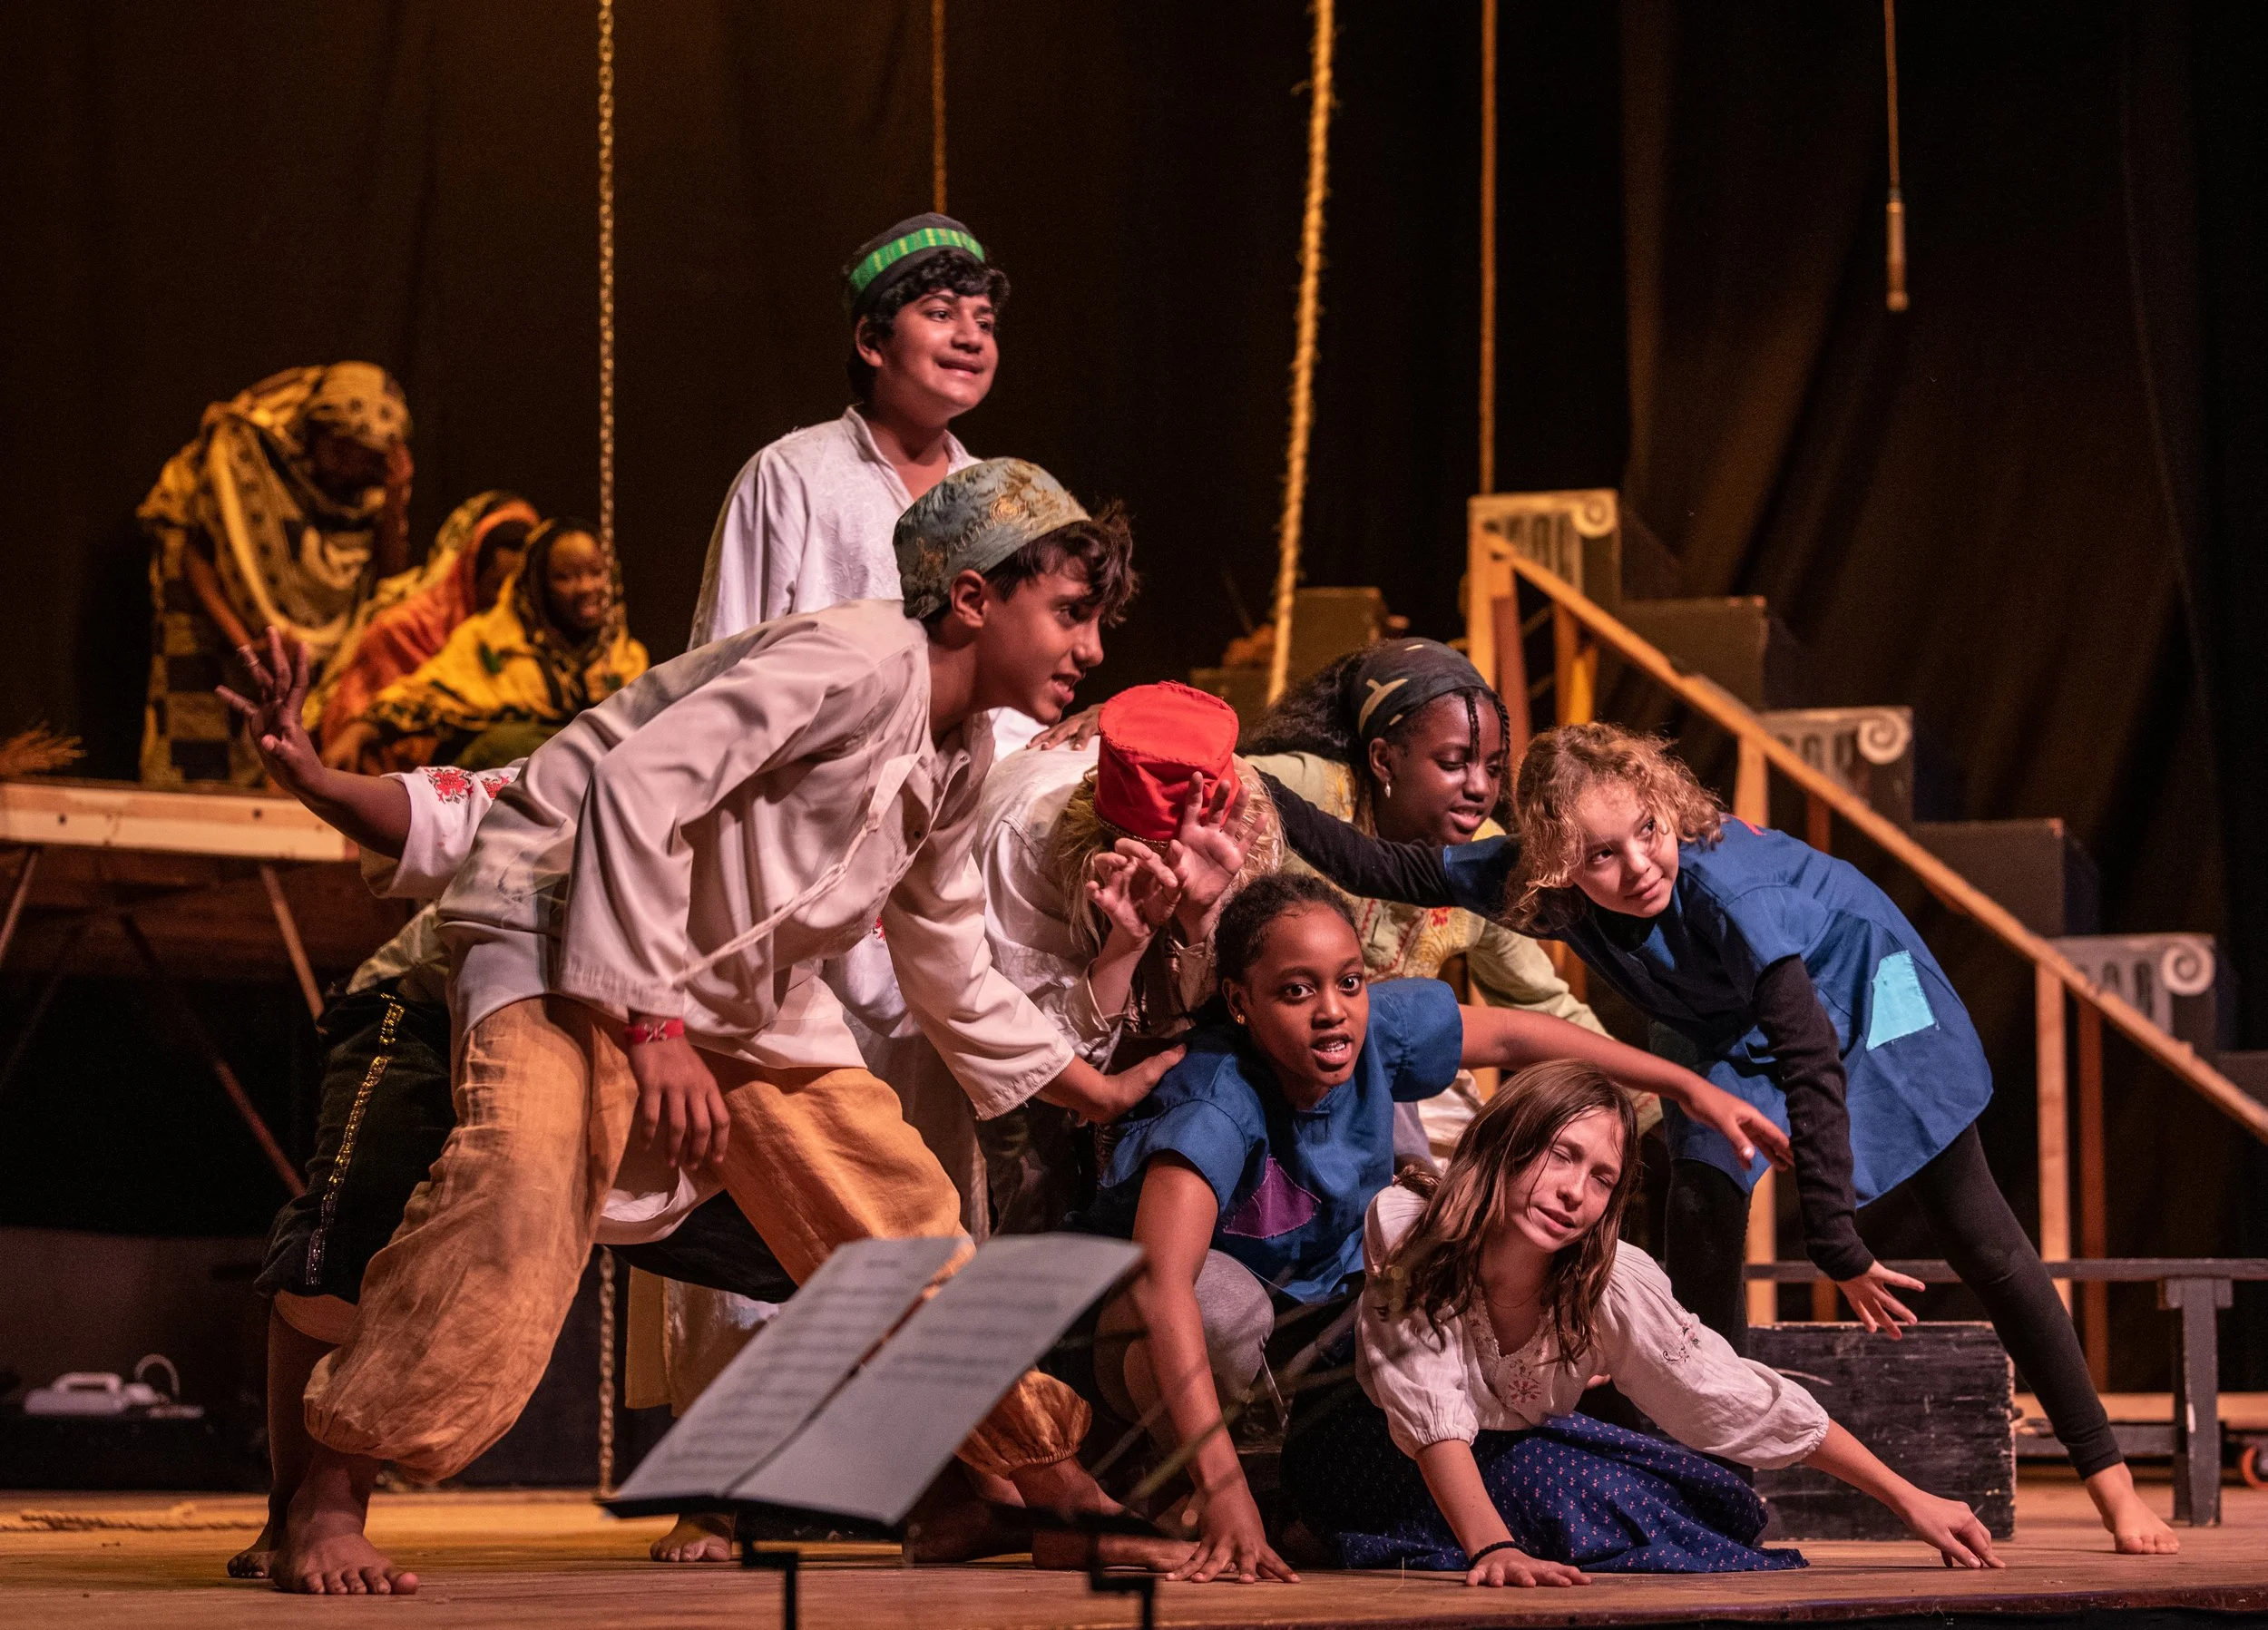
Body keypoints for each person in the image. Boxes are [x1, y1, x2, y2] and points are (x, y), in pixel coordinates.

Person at [266, 459, 1178, 1595]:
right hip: (567, 939)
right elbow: (635, 792)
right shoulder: (848, 659)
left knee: (897, 1214)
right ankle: (331, 1490)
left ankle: (1054, 1490)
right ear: (975, 597)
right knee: (525, 1178)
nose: (1092, 650)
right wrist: (654, 1029)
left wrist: (1081, 1085)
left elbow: (942, 948)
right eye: (1072, 614)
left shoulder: (954, 752)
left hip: (742, 995)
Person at [1261, 719, 2181, 1556]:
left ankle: (2108, 1479)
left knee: (1980, 1235)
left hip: (1856, 988)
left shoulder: (1729, 894)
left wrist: (1838, 1245)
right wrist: (1252, 790)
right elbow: (1385, 866)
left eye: (1647, 833)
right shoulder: (1547, 890)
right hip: (1719, 1022)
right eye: (1601, 855)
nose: (1638, 867)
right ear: (1554, 865)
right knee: (1699, 1214)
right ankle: (1710, 1491)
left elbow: (1811, 1060)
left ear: (1665, 806)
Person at [212, 630, 800, 1583]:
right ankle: (307, 1515)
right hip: (431, 1010)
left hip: (623, 1055)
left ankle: (924, 1488)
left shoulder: (809, 817)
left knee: (806, 1236)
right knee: (348, 1240)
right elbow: (437, 814)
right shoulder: (607, 771)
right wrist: (317, 779)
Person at [1070, 872, 1792, 1586]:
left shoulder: (1371, 1031)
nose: (1332, 1011)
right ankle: (1183, 1494)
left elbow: (1514, 1033)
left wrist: (1681, 1085)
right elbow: (1161, 1289)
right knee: (1221, 1305)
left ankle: (1304, 1503)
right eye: (1296, 990)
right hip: (1144, 1342)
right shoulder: (1215, 1100)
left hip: (1319, 1322)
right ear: (1240, 1001)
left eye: (1349, 981)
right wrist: (1227, 1492)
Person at [1285, 1059, 2001, 1583]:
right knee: (1608, 1507)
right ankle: (1338, 1529)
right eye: (1562, 1155)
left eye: (1601, 1178)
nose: (1574, 1192)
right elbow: (1431, 1405)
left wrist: (1910, 1498)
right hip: (1372, 1442)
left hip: (1503, 1440)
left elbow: (1727, 1393)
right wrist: (1494, 1550)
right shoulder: (1411, 1227)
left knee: (1714, 1499)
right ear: (1506, 1146)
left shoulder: (1611, 1279)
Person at [1246, 639, 1612, 1162]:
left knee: (1479, 1194)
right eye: (1453, 762)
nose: (1480, 788)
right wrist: (1117, 728)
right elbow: (1209, 766)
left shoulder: (1482, 857)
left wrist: (1659, 1101)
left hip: (1395, 1076)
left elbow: (1537, 1001)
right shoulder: (1316, 790)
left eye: (1492, 766)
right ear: (1384, 760)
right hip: (1275, 1059)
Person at [689, 212, 1006, 646]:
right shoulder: (790, 476)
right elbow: (721, 664)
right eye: (940, 313)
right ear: (873, 341)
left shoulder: (1001, 497)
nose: (972, 337)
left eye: (985, 323)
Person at [140, 362, 413, 786]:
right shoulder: (248, 453)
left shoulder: (365, 488)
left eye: (360, 463)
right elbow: (197, 554)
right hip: (216, 631)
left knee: (280, 759)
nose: (346, 470)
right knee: (197, 755)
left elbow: (389, 581)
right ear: (317, 432)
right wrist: (248, 647)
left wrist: (395, 501)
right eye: (340, 453)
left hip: (298, 651)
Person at [330, 516, 647, 773]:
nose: (587, 588)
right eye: (566, 577)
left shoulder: (624, 657)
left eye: (596, 573)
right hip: (493, 799)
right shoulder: (490, 639)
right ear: (538, 586)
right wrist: (360, 730)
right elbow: (428, 693)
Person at [305, 490, 540, 759]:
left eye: (516, 590)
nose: (503, 600)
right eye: (496, 587)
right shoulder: (403, 629)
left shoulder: (530, 636)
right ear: (469, 573)